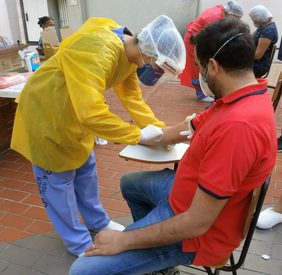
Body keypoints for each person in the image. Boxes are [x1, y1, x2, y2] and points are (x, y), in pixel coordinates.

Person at [69, 18, 277, 275]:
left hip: (197, 229)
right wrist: (149, 135)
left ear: (213, 66)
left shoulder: (239, 127)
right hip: (187, 193)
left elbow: (196, 223)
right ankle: (158, 265)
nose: (199, 75)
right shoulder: (240, 96)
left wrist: (123, 240)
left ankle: (157, 254)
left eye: (199, 68)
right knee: (130, 183)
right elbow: (186, 129)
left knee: (84, 270)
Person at [11, 15, 186, 257]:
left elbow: (133, 99)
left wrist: (160, 131)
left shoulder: (130, 54)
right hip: (46, 114)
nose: (153, 72)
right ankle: (77, 241)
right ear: (150, 53)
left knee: (86, 171)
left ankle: (97, 221)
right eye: (156, 66)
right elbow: (92, 113)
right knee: (57, 184)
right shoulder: (97, 51)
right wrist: (138, 135)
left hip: (74, 115)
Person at [179, 0, 243, 103]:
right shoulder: (215, 17)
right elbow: (212, 36)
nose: (236, 20)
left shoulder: (221, 11)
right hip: (195, 40)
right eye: (236, 18)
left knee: (203, 65)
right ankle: (201, 93)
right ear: (230, 13)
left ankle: (203, 88)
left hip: (200, 38)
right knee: (200, 66)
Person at [249, 5, 278, 78]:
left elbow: (258, 55)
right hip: (255, 61)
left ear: (259, 18)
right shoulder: (263, 26)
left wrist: (243, 55)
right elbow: (249, 37)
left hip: (259, 65)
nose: (253, 22)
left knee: (234, 67)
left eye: (254, 20)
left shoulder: (268, 31)